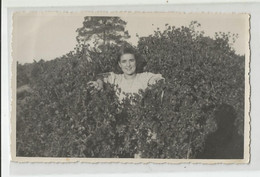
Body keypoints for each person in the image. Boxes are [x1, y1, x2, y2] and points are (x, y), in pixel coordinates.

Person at [87, 46, 164, 102]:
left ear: (136, 62)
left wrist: (156, 83)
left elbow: (158, 79)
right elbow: (101, 76)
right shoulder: (116, 79)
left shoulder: (144, 77)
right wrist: (99, 83)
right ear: (120, 64)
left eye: (131, 60)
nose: (128, 65)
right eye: (124, 61)